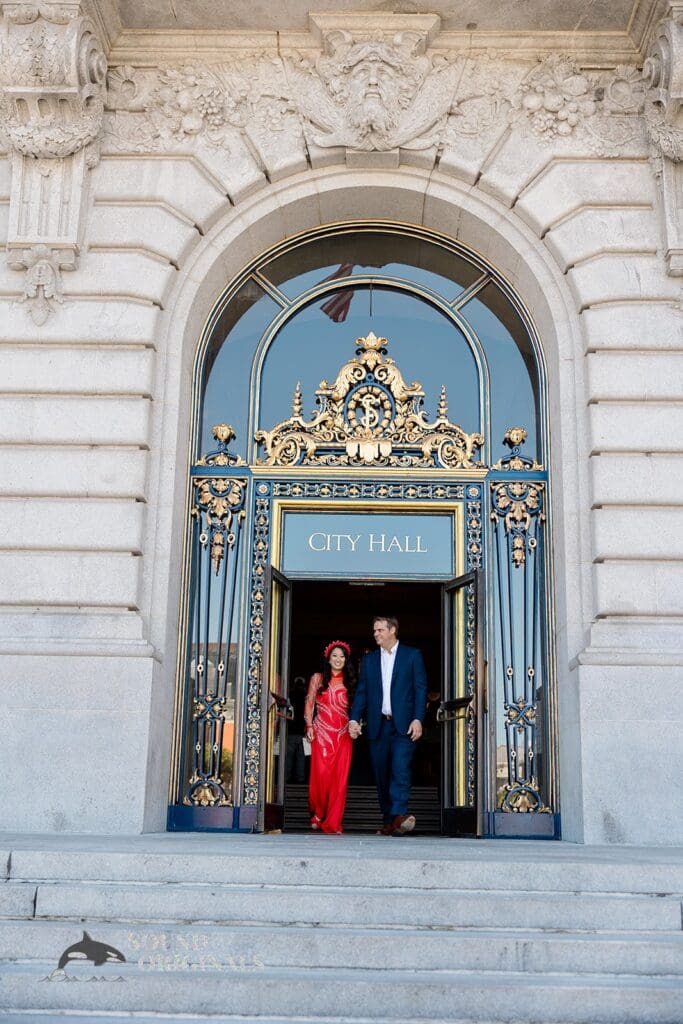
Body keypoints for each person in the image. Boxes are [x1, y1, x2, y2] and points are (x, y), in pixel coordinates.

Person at [349, 616, 427, 836]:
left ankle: (399, 814)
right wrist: (354, 719)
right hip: (378, 726)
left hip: (404, 726)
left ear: (393, 630)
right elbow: (362, 692)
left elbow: (420, 689)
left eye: (380, 630)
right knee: (381, 775)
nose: (376, 634)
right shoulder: (370, 660)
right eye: (374, 630)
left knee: (400, 770)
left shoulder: (412, 656)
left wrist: (418, 718)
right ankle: (389, 821)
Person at [304, 640, 355, 834]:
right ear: (328, 658)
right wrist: (309, 726)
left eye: (342, 656)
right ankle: (318, 812)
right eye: (335, 656)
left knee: (339, 782)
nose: (338, 659)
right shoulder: (318, 678)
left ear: (346, 660)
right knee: (321, 778)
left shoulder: (351, 681)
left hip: (343, 736)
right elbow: (309, 703)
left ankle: (332, 821)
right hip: (321, 734)